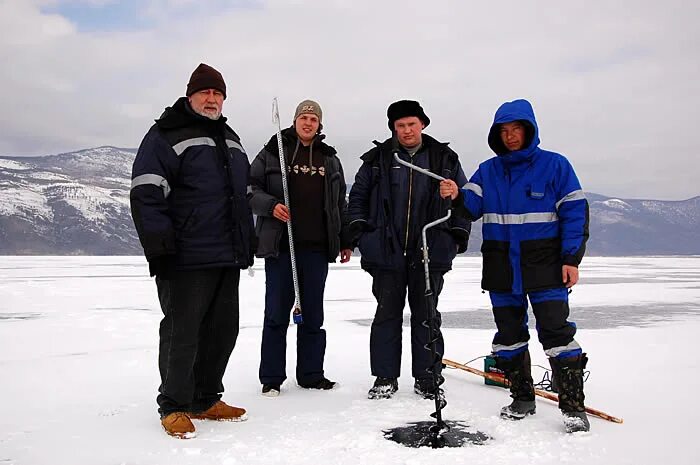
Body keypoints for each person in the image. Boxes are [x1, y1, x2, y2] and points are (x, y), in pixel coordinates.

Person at [439, 98, 591, 433]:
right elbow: (472, 206)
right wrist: (456, 194)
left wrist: (571, 259)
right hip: (501, 265)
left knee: (557, 334)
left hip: (546, 265)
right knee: (508, 336)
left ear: (529, 130)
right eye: (504, 131)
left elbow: (575, 212)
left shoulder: (555, 166)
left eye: (516, 129)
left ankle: (572, 407)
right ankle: (522, 397)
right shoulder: (488, 170)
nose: (510, 136)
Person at [130, 63, 255, 438]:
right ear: (190, 96)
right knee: (182, 332)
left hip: (225, 254)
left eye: (218, 93)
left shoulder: (229, 137)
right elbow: (146, 194)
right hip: (184, 256)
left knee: (221, 331)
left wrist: (245, 243)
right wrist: (160, 250)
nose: (212, 98)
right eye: (205, 92)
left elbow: (241, 197)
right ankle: (173, 404)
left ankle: (204, 398)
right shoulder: (165, 135)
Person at [347, 100, 471, 400]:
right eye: (400, 126)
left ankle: (428, 378)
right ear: (393, 128)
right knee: (386, 314)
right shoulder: (377, 159)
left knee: (427, 314)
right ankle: (385, 377)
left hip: (430, 251)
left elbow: (464, 201)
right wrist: (362, 235)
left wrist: (455, 235)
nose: (406, 130)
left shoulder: (444, 158)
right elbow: (358, 198)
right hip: (386, 252)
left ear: (423, 124)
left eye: (411, 124)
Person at [249, 100, 352, 397]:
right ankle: (271, 378)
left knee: (313, 315)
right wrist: (271, 206)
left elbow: (339, 203)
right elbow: (248, 189)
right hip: (281, 246)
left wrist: (345, 240)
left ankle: (310, 374)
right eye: (303, 118)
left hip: (316, 249)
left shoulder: (329, 158)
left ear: (320, 125)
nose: (308, 123)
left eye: (313, 119)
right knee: (277, 314)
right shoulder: (273, 152)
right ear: (295, 121)